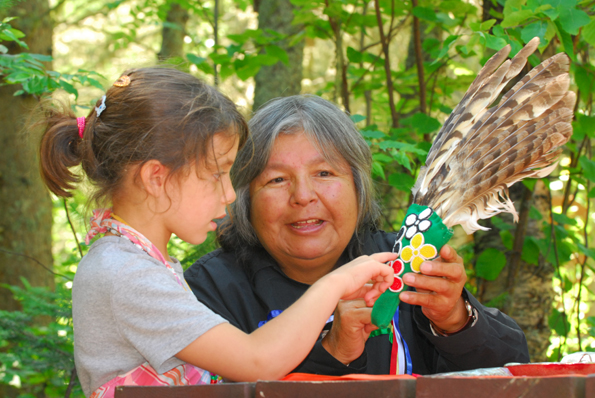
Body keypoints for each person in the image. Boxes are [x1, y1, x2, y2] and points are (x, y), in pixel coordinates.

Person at [38, 70, 396, 397]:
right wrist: (336, 283)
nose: (229, 193)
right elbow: (257, 360)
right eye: (216, 174)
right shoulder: (124, 274)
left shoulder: (138, 264)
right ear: (156, 178)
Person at [185, 94, 530, 376]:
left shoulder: (405, 261)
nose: (303, 196)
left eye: (324, 172)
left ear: (357, 187)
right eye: (276, 179)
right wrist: (333, 354)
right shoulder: (209, 291)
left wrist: (454, 320)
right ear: (244, 198)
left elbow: (513, 368)